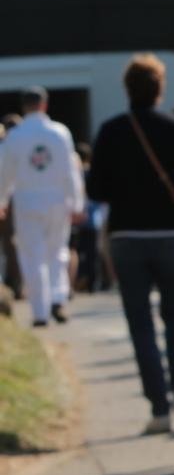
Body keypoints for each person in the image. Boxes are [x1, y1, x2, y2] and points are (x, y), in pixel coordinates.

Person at [88, 54, 174, 433]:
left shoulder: (111, 131)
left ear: (127, 89)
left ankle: (159, 407)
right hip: (171, 234)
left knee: (140, 322)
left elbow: (96, 190)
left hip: (126, 236)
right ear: (160, 89)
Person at [0, 87, 85, 326]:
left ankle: (40, 311)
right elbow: (70, 171)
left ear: (24, 107)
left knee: (32, 255)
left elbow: (5, 173)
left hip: (27, 200)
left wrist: (1, 200)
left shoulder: (15, 136)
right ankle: (58, 298)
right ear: (44, 105)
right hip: (57, 199)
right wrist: (76, 203)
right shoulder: (60, 132)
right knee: (57, 251)